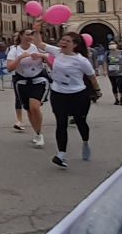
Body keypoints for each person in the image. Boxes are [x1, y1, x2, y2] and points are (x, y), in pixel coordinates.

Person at [40, 30, 100, 169]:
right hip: (58, 93)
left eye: (67, 41)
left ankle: (85, 142)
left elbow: (91, 77)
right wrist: (37, 29)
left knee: (80, 121)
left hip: (77, 94)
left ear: (75, 45)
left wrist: (97, 91)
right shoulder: (57, 52)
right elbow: (39, 43)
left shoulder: (81, 60)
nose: (63, 42)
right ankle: (61, 154)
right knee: (61, 123)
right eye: (62, 40)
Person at [6, 27, 51, 148]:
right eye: (27, 34)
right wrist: (20, 58)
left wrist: (43, 56)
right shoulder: (14, 50)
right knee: (29, 109)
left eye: (32, 34)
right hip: (22, 82)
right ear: (21, 36)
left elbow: (50, 63)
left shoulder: (37, 47)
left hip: (38, 80)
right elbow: (9, 68)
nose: (30, 36)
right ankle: (36, 133)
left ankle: (39, 133)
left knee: (35, 107)